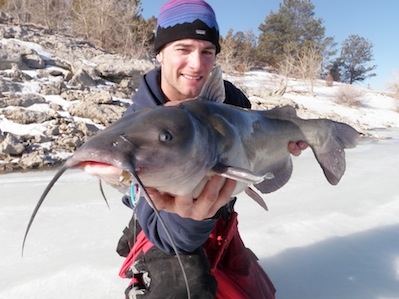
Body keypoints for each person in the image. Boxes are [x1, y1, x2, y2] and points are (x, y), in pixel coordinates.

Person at [116, 1, 307, 298]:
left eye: (207, 52)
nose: (197, 64)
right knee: (186, 287)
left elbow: (253, 152)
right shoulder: (140, 124)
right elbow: (155, 218)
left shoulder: (230, 101)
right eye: (183, 48)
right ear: (160, 52)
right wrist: (186, 218)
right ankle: (142, 270)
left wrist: (278, 149)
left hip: (219, 209)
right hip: (158, 219)